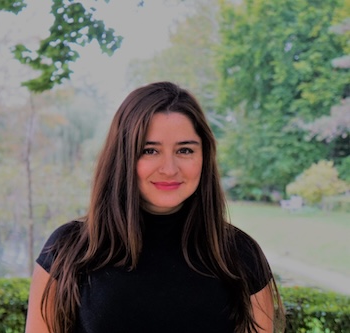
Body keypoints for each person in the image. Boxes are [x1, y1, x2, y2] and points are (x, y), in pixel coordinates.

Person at [25, 81, 284, 333]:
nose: (169, 169)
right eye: (150, 151)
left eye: (184, 150)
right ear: (123, 157)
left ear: (204, 157)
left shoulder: (240, 255)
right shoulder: (67, 250)